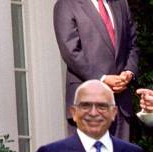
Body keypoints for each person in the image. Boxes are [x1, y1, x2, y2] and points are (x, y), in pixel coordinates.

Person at [53, 0, 139, 140]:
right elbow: (71, 52)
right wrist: (102, 79)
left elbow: (132, 44)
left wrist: (129, 72)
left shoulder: (121, 3)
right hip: (87, 102)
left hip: (120, 102)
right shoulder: (66, 4)